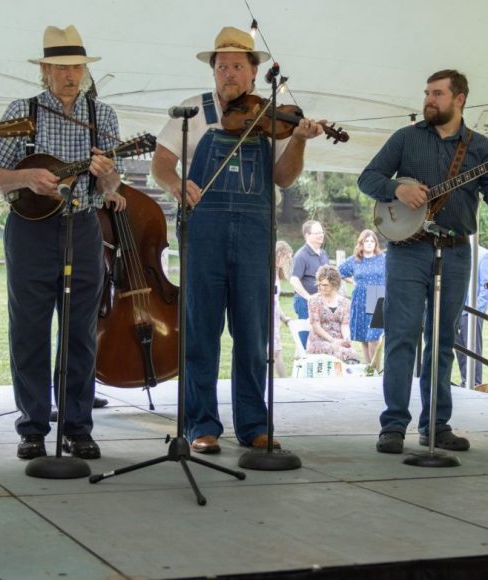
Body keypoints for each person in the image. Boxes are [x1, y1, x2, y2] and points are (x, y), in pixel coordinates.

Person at [150, 26, 323, 454]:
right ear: (214, 71)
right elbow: (161, 163)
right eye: (222, 65)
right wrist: (175, 185)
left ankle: (253, 424)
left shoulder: (273, 115)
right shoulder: (191, 112)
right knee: (200, 331)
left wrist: (298, 140)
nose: (229, 73)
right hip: (203, 232)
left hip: (252, 234)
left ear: (253, 72)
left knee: (252, 332)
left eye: (238, 66)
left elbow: (283, 177)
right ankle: (201, 424)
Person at [358, 69, 488, 454]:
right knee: (401, 335)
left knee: (443, 339)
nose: (429, 100)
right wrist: (397, 187)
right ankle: (394, 426)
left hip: (455, 250)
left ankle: (436, 425)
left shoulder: (480, 147)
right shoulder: (406, 138)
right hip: (407, 250)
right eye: (427, 93)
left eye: (437, 94)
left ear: (459, 98)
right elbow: (367, 179)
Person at [0, 25, 125, 461]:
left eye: (77, 66)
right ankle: (33, 427)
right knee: (29, 330)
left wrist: (107, 175)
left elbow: (115, 183)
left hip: (82, 226)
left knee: (80, 332)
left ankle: (77, 427)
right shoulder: (22, 112)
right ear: (45, 70)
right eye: (61, 67)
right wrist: (26, 177)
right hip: (30, 231)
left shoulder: (104, 116)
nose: (70, 75)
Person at [338, 229, 386, 364]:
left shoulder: (382, 258)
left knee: (374, 336)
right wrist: (352, 281)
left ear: (376, 244)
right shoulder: (354, 260)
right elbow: (338, 272)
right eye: (366, 241)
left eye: (372, 241)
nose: (370, 244)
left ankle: (375, 367)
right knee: (364, 336)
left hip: (378, 297)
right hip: (360, 298)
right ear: (361, 243)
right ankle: (368, 368)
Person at [455, 245, 488, 388]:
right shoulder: (455, 251)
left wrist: (475, 312)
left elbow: (487, 286)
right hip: (455, 310)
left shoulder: (484, 255)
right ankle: (465, 381)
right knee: (459, 349)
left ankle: (475, 384)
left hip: (471, 312)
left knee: (473, 349)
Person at [307, 265, 361, 363]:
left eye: (325, 285)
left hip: (339, 341)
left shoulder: (345, 302)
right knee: (341, 352)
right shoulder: (313, 300)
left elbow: (345, 324)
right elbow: (316, 327)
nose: (321, 287)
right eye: (320, 284)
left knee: (352, 353)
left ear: (334, 284)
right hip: (318, 341)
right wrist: (333, 340)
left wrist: (346, 337)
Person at [290, 220, 330, 348]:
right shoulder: (301, 255)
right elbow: (294, 280)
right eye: (317, 233)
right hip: (304, 303)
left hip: (323, 301)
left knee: (320, 338)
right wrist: (309, 298)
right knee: (305, 338)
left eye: (322, 232)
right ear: (307, 235)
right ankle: (301, 364)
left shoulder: (323, 254)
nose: (321, 235)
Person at [273, 240, 295, 378]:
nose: (287, 261)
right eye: (286, 258)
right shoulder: (267, 272)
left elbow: (275, 301)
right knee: (274, 352)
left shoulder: (276, 273)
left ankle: (284, 381)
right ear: (279, 254)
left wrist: (283, 317)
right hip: (266, 318)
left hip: (275, 318)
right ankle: (283, 381)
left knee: (276, 351)